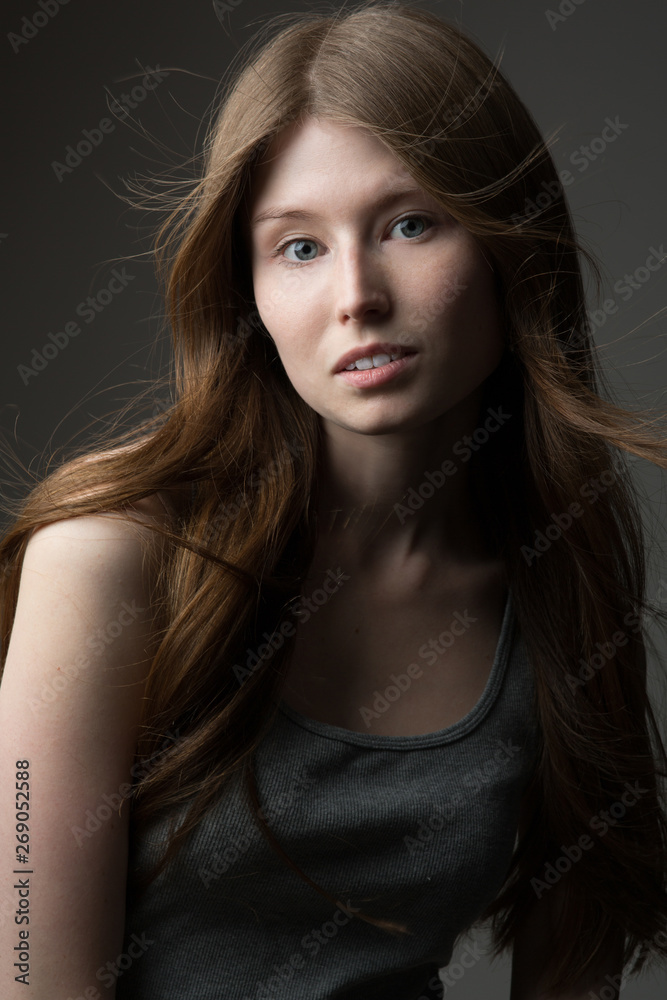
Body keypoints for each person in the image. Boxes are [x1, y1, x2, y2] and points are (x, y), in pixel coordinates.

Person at [1, 2, 666, 997]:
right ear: (250, 297)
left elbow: (573, 971)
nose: (356, 292)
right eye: (299, 247)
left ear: (507, 248)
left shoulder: (556, 569)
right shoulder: (107, 560)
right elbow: (36, 983)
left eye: (409, 223)